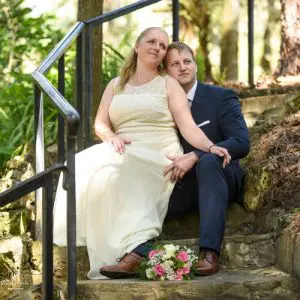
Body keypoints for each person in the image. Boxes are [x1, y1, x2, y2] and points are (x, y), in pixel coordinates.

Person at [53, 28, 230, 280]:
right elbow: (100, 124)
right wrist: (111, 137)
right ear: (137, 46)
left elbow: (188, 127)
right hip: (123, 146)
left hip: (159, 149)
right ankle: (124, 247)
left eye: (162, 44)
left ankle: (135, 250)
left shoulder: (168, 84)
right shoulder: (116, 85)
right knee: (82, 162)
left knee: (121, 167)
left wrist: (210, 147)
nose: (157, 47)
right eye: (151, 41)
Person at [163, 42, 250, 276]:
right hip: (181, 185)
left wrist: (197, 154)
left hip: (220, 176)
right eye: (175, 64)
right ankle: (136, 250)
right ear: (166, 71)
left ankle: (210, 252)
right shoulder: (160, 103)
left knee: (209, 161)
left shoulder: (221, 97)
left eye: (187, 61)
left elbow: (242, 142)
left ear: (195, 65)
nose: (182, 68)